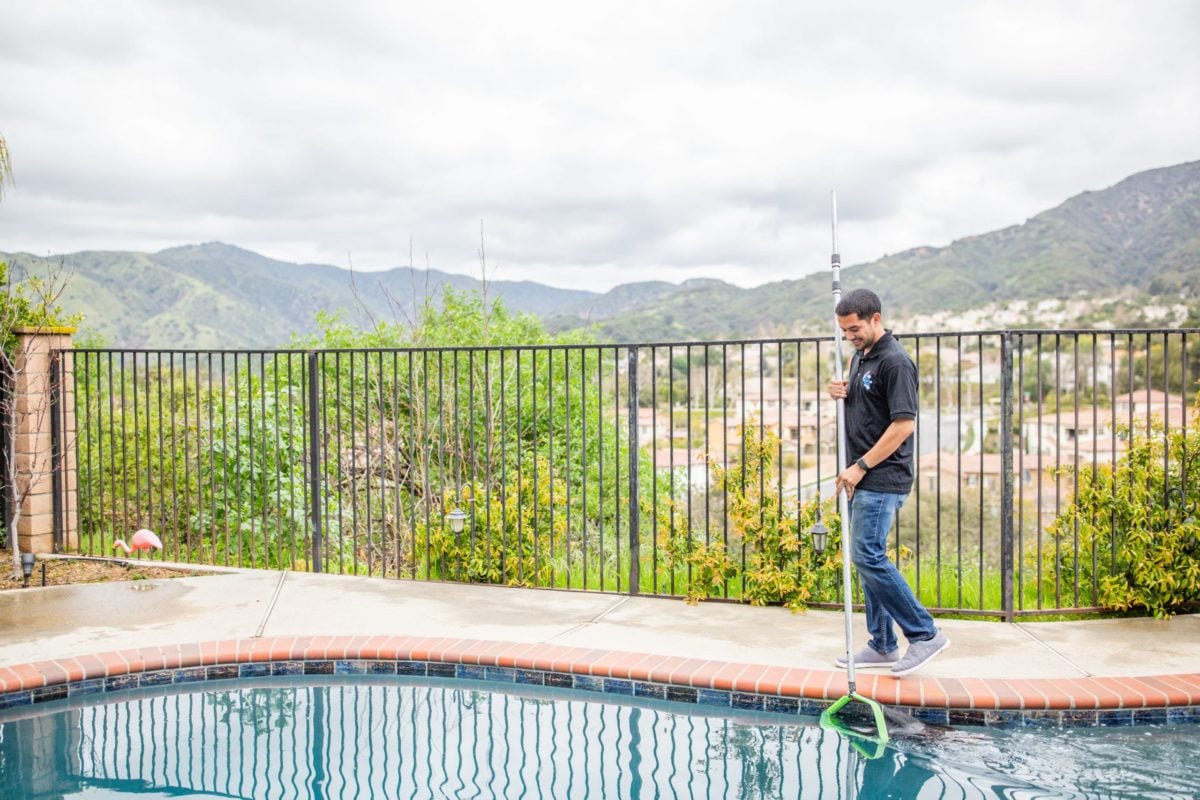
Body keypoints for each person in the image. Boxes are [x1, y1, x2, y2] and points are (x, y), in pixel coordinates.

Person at [827, 288, 949, 676]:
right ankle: (882, 645)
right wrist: (840, 393)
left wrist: (860, 466)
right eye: (844, 331)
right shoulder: (861, 357)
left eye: (855, 328)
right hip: (863, 475)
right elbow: (867, 407)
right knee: (867, 557)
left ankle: (925, 634)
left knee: (867, 555)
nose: (850, 336)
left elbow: (903, 425)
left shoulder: (896, 362)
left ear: (875, 318)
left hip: (882, 476)